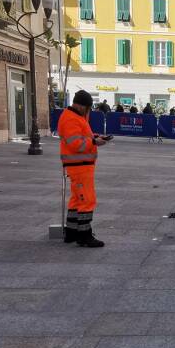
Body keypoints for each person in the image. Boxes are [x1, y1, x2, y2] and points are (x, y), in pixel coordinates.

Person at [58, 90, 110, 248]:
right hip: (79, 165)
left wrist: (94, 137)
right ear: (81, 106)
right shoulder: (71, 119)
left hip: (80, 165)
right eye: (88, 108)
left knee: (76, 199)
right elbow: (76, 144)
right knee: (87, 200)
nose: (89, 111)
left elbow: (81, 137)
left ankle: (72, 232)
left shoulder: (74, 117)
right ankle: (84, 235)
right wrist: (95, 143)